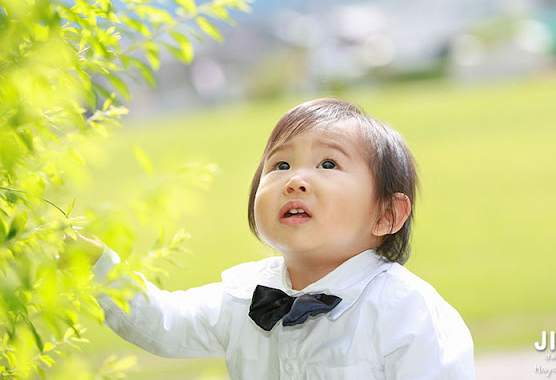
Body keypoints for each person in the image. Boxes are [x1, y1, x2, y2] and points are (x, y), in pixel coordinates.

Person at [81, 98, 475, 379]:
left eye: (328, 164)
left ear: (386, 214)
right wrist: (94, 262)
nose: (295, 180)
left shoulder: (406, 311)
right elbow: (162, 323)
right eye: (281, 164)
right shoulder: (242, 295)